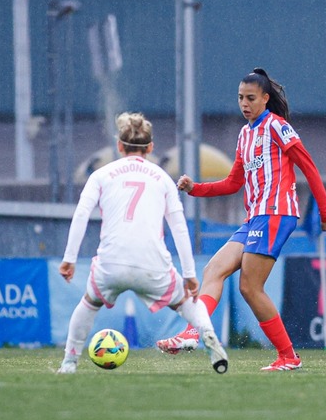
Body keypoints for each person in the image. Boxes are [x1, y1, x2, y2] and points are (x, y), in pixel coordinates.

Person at [156, 68, 326, 371]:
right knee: (214, 269)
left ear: (266, 99)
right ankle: (191, 334)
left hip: (277, 213)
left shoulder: (278, 127)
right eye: (241, 98)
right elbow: (233, 182)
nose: (244, 103)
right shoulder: (246, 134)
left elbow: (309, 167)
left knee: (250, 286)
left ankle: (289, 357)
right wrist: (195, 189)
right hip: (255, 218)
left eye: (251, 98)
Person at [57, 112, 228, 374]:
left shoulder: (101, 175)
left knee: (89, 304)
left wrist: (69, 259)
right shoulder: (162, 178)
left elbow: (80, 214)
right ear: (150, 147)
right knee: (187, 304)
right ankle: (209, 337)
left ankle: (69, 362)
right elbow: (179, 227)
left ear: (119, 146)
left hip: (111, 262)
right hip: (152, 263)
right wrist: (190, 275)